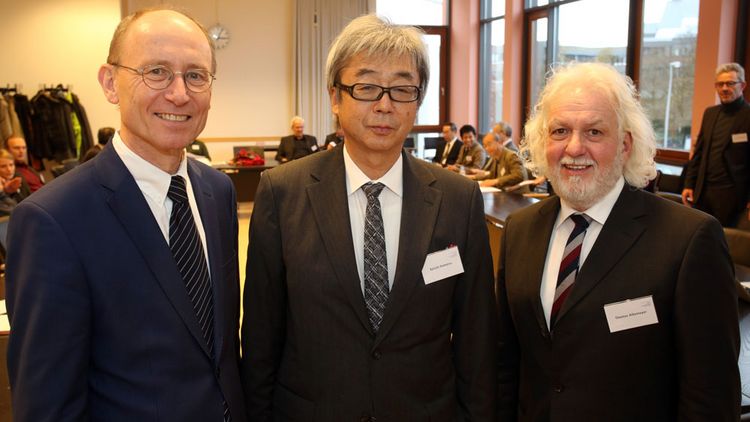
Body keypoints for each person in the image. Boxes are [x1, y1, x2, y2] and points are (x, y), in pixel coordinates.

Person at [242, 14, 498, 421]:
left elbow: (476, 338)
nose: (384, 105)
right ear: (335, 98)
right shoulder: (282, 192)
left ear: (417, 102)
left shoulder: (458, 198)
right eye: (366, 87)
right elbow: (261, 334)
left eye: (402, 89)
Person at [5, 8, 246, 421]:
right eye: (156, 72)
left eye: (195, 75)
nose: (179, 94)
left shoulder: (217, 191)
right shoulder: (53, 220)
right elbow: (47, 403)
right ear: (110, 83)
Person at [497, 62, 739, 420]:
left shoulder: (689, 239)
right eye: (560, 131)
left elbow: (711, 394)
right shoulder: (519, 230)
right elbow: (506, 361)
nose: (574, 148)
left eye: (594, 132)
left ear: (625, 145)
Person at [682, 62, 750, 227]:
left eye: (730, 83)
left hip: (732, 196)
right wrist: (689, 184)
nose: (724, 88)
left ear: (742, 85)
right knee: (699, 236)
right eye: (720, 84)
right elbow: (698, 153)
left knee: (724, 239)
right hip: (703, 192)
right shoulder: (710, 113)